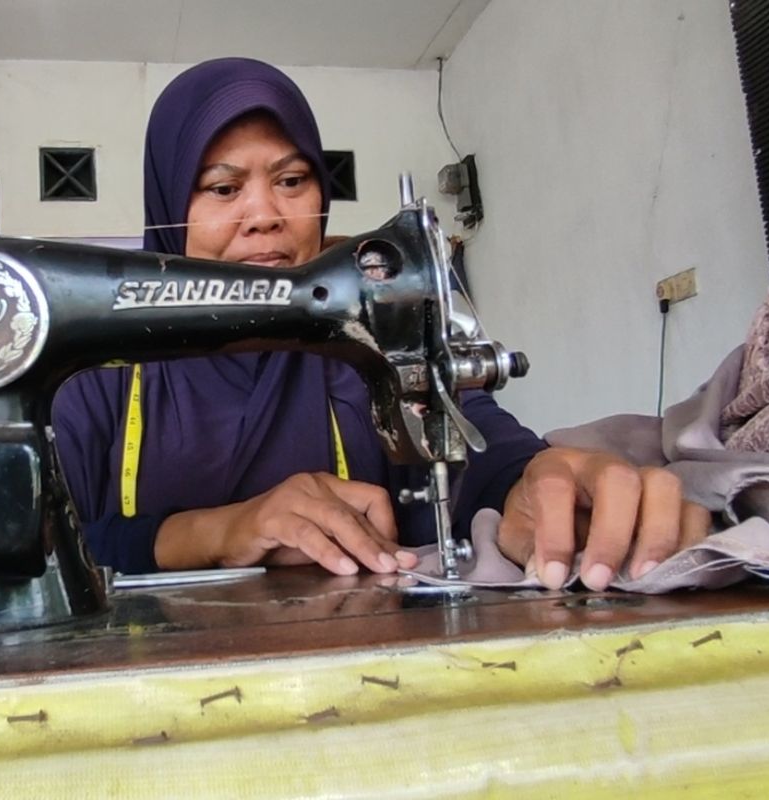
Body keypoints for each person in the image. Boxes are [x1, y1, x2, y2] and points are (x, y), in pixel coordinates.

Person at [52, 58, 709, 591]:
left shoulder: (359, 342)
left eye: (292, 179)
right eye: (223, 188)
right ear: (169, 203)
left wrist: (534, 478)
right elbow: (39, 546)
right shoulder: (104, 368)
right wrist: (216, 532)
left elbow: (475, 447)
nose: (265, 214)